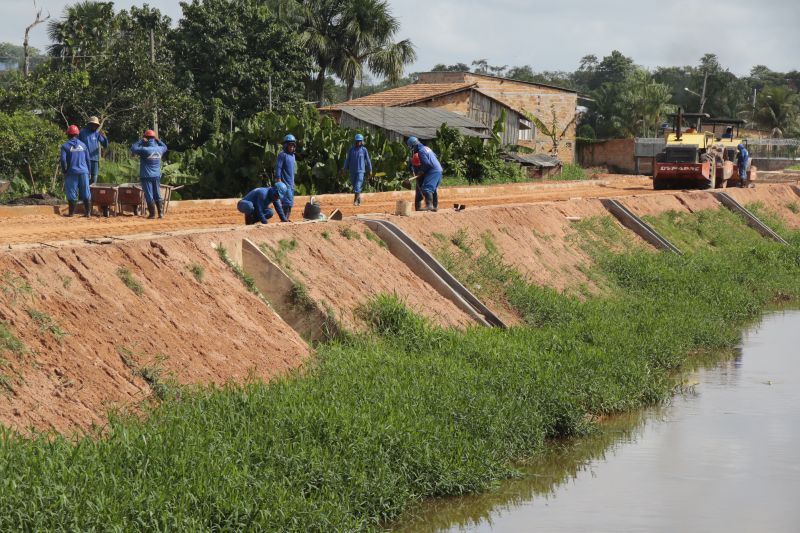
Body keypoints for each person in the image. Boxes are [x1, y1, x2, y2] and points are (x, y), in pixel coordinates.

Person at [130, 130, 168, 219]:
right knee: (157, 194)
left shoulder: (144, 150)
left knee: (149, 195)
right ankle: (161, 213)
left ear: (146, 138)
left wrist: (141, 141)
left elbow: (133, 148)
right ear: (154, 138)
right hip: (156, 176)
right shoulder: (160, 149)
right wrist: (158, 140)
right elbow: (165, 147)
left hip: (146, 176)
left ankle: (152, 214)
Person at [60, 125, 91, 218]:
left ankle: (71, 213)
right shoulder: (83, 145)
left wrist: (64, 170)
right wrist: (89, 172)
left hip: (71, 172)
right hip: (84, 172)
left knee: (71, 193)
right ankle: (88, 213)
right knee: (86, 192)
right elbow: (88, 160)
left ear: (68, 134)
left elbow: (63, 160)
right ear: (77, 134)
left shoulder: (65, 146)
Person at [407, 136, 442, 212]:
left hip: (433, 170)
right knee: (432, 189)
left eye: (412, 148)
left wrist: (421, 171)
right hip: (438, 169)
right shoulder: (427, 148)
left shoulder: (421, 151)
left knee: (427, 188)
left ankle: (429, 206)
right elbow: (434, 157)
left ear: (414, 145)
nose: (413, 150)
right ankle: (434, 207)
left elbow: (426, 164)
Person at [343, 133, 372, 206]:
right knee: (354, 185)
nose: (359, 142)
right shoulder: (351, 150)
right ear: (355, 141)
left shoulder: (364, 150)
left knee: (357, 185)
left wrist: (370, 169)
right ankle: (358, 199)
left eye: (360, 141)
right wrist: (345, 169)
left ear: (362, 141)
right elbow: (347, 160)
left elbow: (368, 160)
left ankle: (355, 201)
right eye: (357, 141)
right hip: (352, 171)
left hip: (361, 171)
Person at [78, 116, 108, 184]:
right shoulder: (82, 132)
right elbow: (77, 144)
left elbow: (105, 144)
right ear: (89, 124)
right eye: (93, 124)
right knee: (84, 178)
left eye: (96, 125)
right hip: (84, 159)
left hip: (95, 160)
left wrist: (104, 136)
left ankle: (93, 193)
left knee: (94, 178)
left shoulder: (97, 134)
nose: (95, 126)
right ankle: (84, 194)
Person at [275, 134, 297, 219]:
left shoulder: (293, 156)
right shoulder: (282, 155)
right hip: (284, 183)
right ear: (285, 145)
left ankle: (286, 218)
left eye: (293, 145)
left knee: (290, 202)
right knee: (286, 202)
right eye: (290, 145)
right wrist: (278, 179)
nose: (291, 147)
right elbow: (278, 167)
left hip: (291, 183)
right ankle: (284, 219)